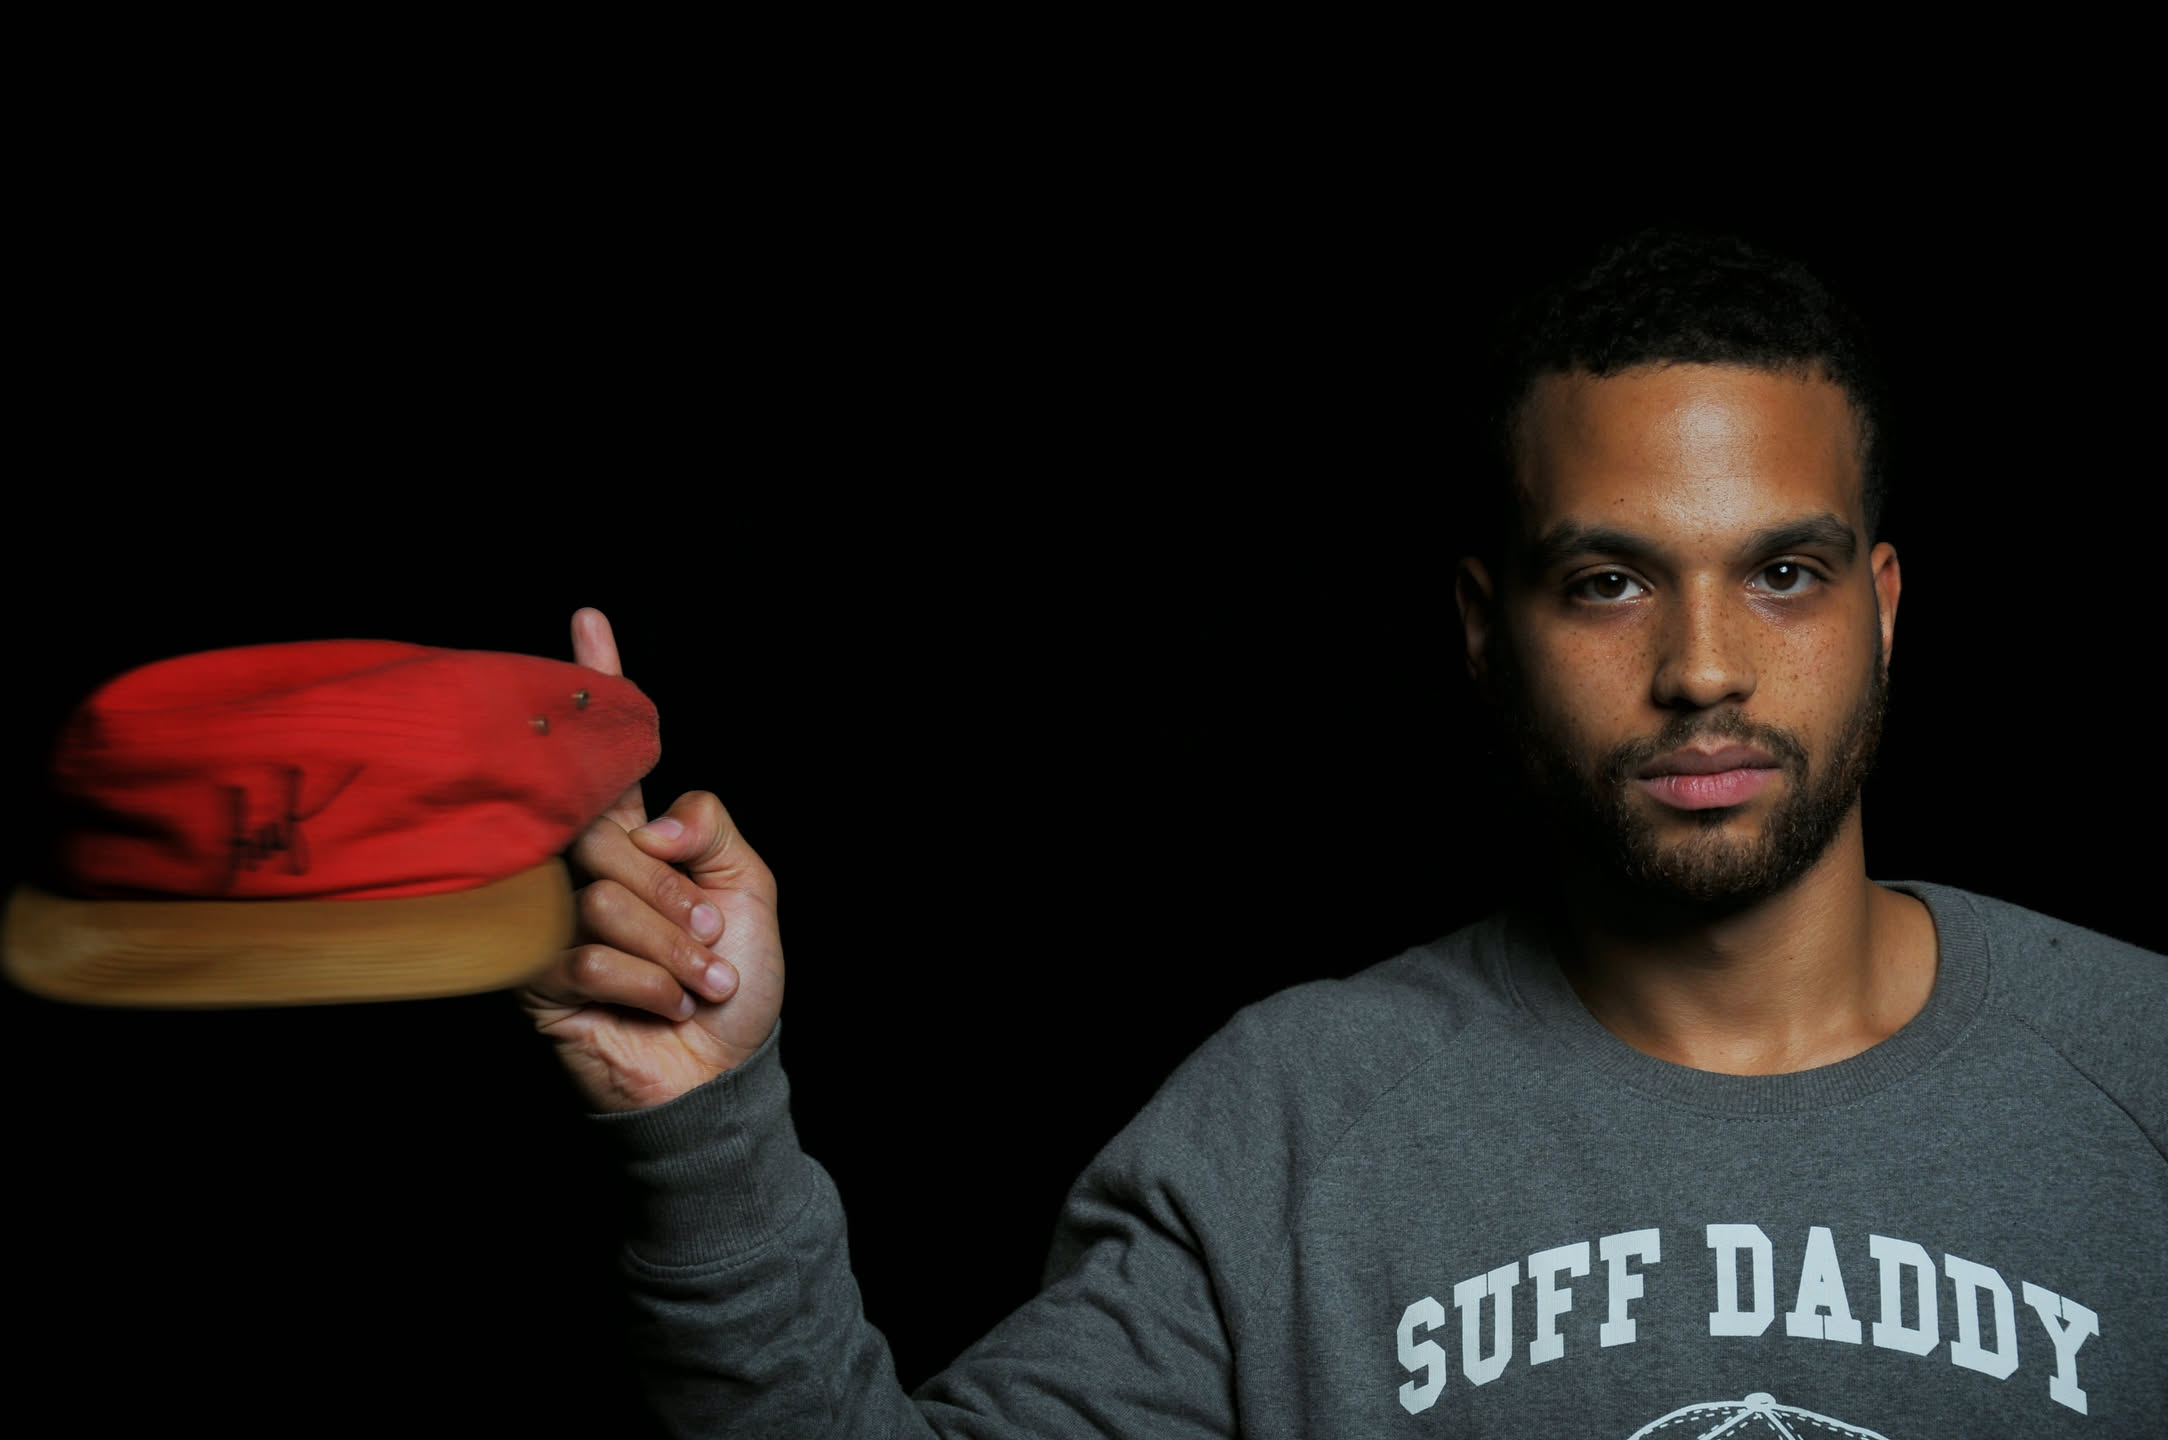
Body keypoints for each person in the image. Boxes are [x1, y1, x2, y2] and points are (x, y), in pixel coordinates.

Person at [516, 233, 2167, 1436]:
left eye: (1784, 574)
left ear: (1885, 606)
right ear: (1487, 631)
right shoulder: (1289, 1132)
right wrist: (703, 1124)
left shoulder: (2139, 1072)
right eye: (1609, 582)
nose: (1704, 669)